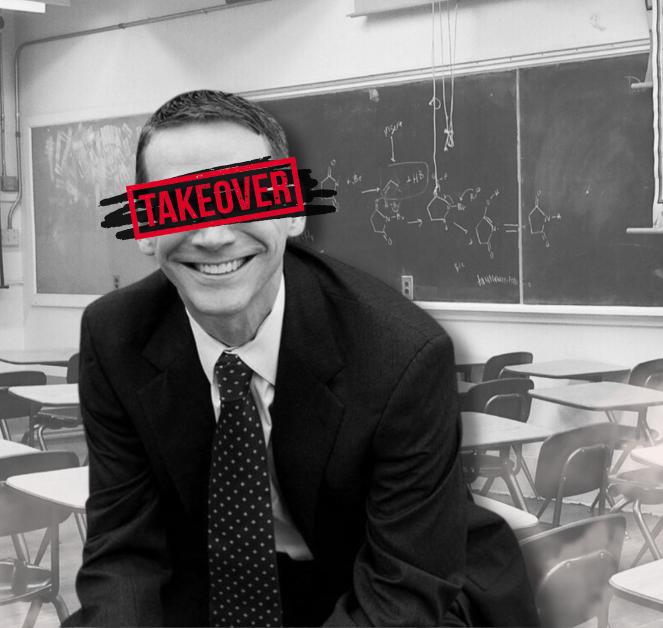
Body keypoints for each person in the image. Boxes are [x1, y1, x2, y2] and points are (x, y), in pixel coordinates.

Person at [67, 90, 537, 627]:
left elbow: (403, 587)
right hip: (214, 583)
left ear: (291, 211)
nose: (214, 235)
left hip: (381, 574)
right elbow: (124, 551)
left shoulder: (400, 353)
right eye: (177, 204)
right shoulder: (115, 337)